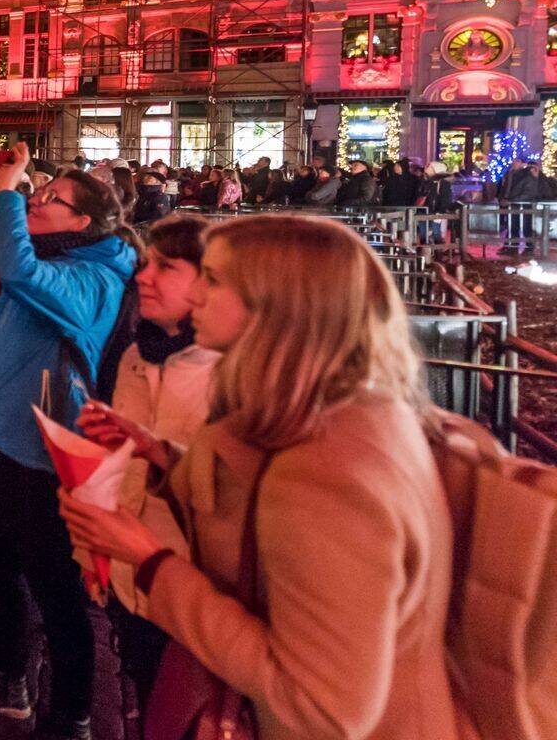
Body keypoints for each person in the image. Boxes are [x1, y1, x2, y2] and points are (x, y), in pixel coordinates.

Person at [62, 214, 461, 740]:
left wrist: (149, 560)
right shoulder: (335, 411)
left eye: (215, 279)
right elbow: (264, 520)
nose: (197, 295)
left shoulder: (327, 464)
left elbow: (323, 706)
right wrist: (158, 453)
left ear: (278, 303)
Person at [0, 143, 135, 740]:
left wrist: (12, 191)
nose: (37, 200)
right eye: (37, 194)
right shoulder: (31, 257)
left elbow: (20, 272)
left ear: (85, 222)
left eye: (51, 198)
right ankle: (7, 677)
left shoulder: (94, 276)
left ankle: (70, 718)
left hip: (43, 461)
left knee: (59, 597)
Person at [75, 215, 216, 712]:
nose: (143, 276)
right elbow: (118, 465)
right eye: (148, 262)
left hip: (196, 596)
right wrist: (96, 555)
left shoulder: (235, 373)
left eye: (167, 266)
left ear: (212, 281)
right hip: (130, 578)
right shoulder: (137, 352)